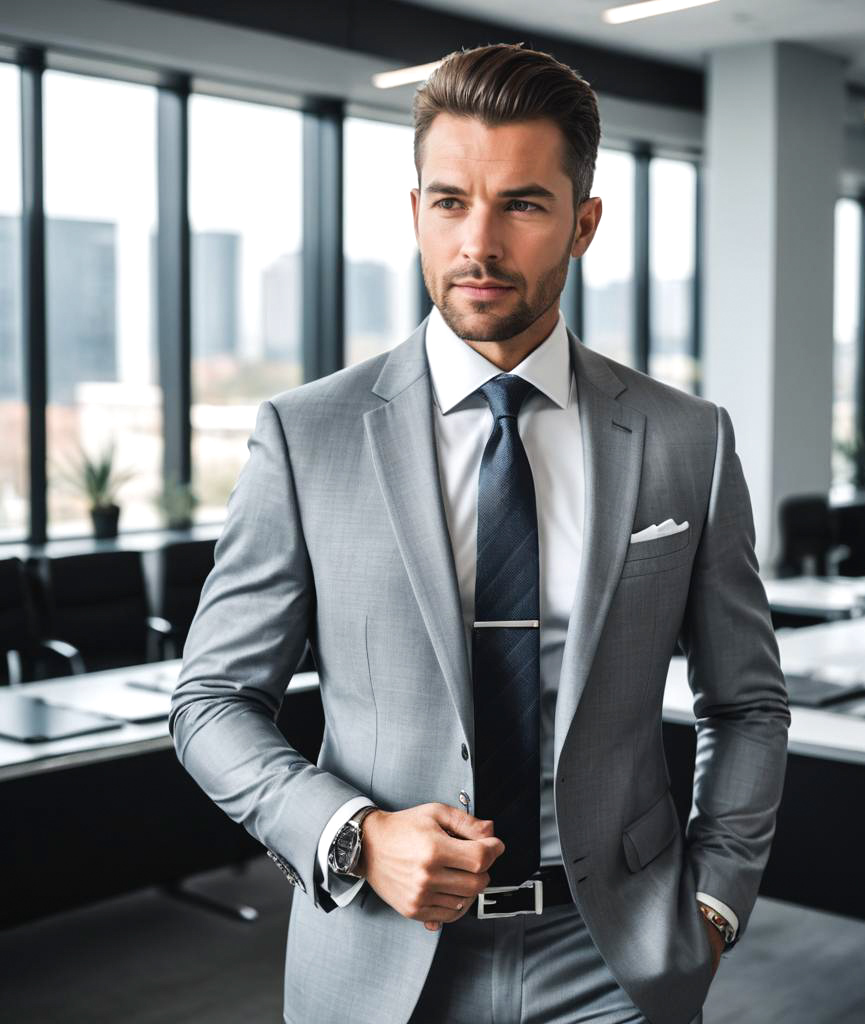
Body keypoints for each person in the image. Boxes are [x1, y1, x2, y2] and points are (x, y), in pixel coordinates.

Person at [169, 41, 790, 1024]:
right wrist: (353, 832)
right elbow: (210, 701)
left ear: (583, 223)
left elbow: (746, 702)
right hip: (378, 953)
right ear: (414, 210)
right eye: (451, 201)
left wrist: (714, 899)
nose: (479, 244)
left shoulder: (684, 440)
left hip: (614, 958)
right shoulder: (309, 434)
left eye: (523, 204)